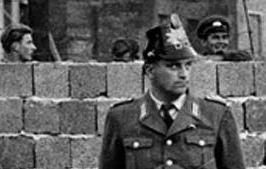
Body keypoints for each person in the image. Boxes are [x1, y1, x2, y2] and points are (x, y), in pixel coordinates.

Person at [99, 14, 245, 169]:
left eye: (187, 65)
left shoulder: (216, 115)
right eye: (173, 66)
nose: (183, 74)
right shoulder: (122, 117)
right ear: (150, 70)